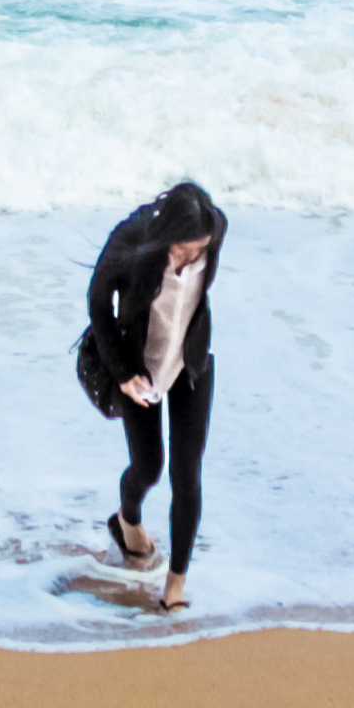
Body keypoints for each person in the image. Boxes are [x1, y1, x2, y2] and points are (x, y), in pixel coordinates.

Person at [74, 178, 225, 611]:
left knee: (187, 475)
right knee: (148, 466)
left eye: (201, 249)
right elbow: (98, 301)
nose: (193, 257)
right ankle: (127, 520)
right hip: (140, 368)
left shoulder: (215, 231)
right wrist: (122, 373)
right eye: (184, 250)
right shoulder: (132, 241)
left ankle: (174, 586)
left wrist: (200, 248)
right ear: (165, 238)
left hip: (190, 364)